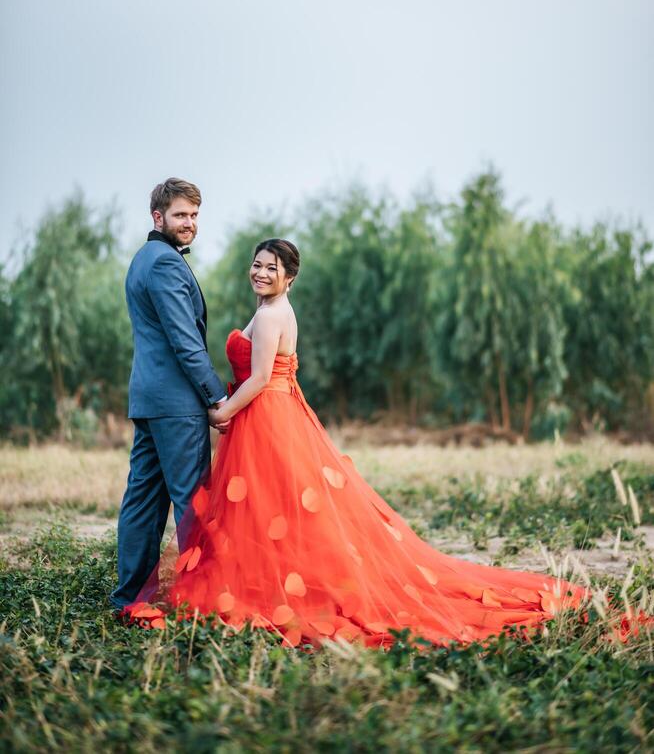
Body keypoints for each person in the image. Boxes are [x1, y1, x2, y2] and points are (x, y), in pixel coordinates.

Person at [125, 236, 638, 648]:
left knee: (268, 506)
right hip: (265, 417)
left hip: (265, 416)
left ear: (290, 277)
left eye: (270, 268)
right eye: (257, 264)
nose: (260, 272)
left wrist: (222, 411)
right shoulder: (268, 311)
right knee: (267, 508)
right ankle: (267, 581)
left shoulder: (276, 314)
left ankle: (266, 586)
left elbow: (260, 378)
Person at [110, 178, 229, 612]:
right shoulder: (164, 264)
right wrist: (216, 398)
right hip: (177, 405)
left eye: (195, 215)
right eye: (181, 215)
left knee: (142, 500)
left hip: (149, 400)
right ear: (157, 217)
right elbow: (185, 342)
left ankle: (130, 599)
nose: (190, 223)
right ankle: (202, 600)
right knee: (193, 502)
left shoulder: (143, 259)